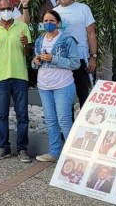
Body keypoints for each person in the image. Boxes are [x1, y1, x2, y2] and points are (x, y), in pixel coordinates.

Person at [0, 0, 32, 162]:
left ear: (13, 8)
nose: (5, 11)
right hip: (1, 78)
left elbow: (28, 54)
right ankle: (4, 147)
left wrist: (26, 44)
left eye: (8, 7)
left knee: (22, 115)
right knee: (2, 115)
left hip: (20, 77)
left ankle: (22, 149)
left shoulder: (23, 26)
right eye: (2, 8)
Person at [31, 10, 81, 162]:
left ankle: (73, 157)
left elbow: (75, 63)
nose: (48, 24)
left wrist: (54, 58)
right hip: (44, 86)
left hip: (62, 85)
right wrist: (35, 62)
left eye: (51, 21)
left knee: (64, 120)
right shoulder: (40, 40)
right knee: (51, 120)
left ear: (58, 23)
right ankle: (54, 153)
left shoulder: (67, 40)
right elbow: (34, 64)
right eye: (45, 21)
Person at [52, 0, 97, 111]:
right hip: (62, 60)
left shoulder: (83, 8)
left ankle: (86, 126)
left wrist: (93, 57)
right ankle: (67, 128)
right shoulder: (53, 12)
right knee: (65, 95)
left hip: (81, 57)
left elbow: (91, 33)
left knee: (84, 93)